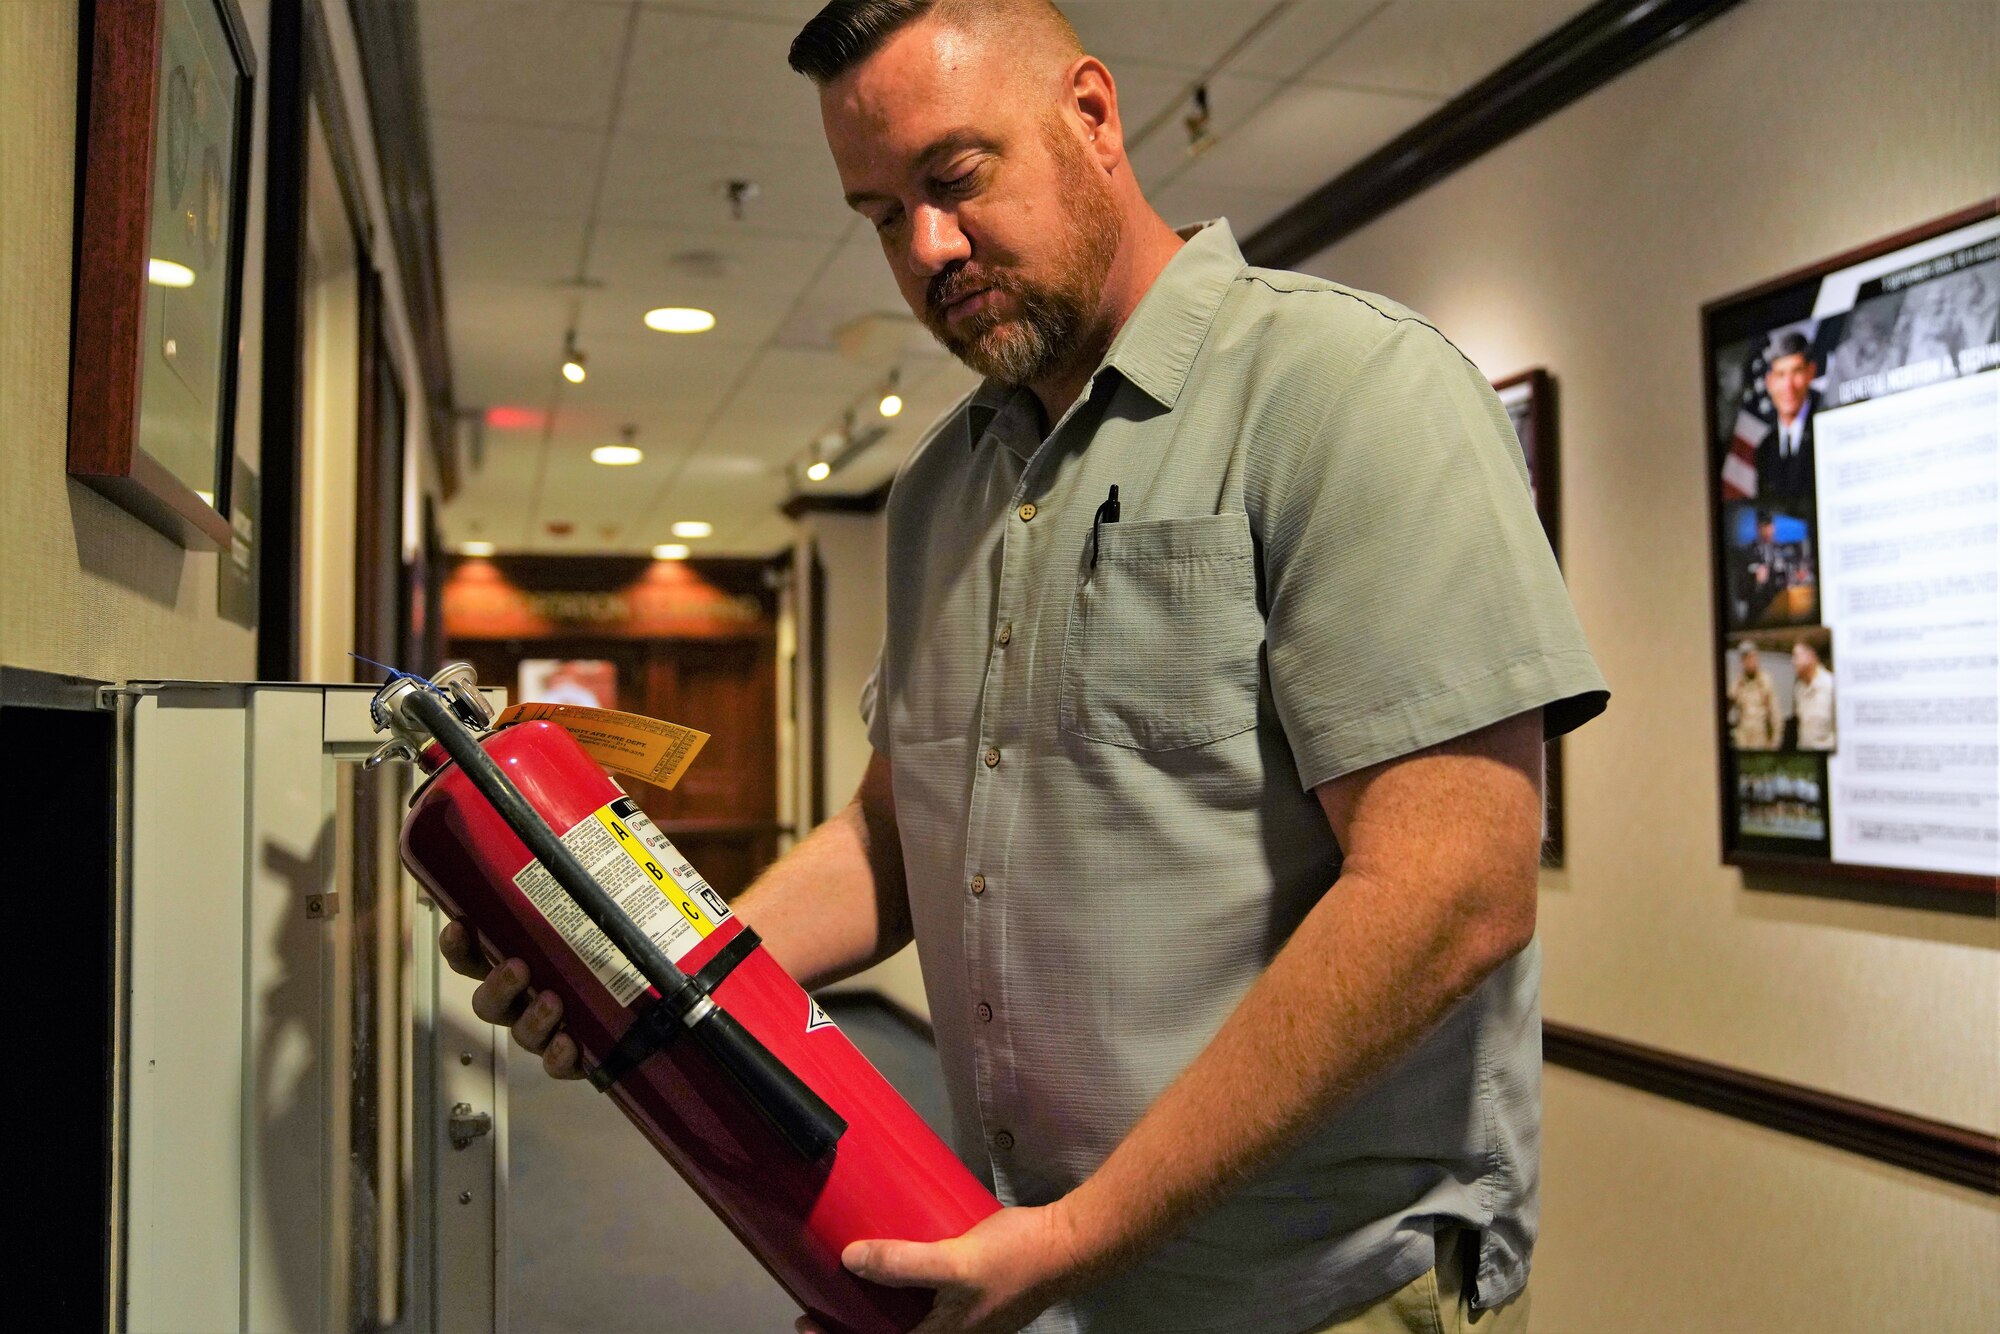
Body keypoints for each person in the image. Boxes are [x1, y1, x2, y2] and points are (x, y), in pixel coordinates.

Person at [442, 3, 1607, 1331]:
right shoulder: (943, 483)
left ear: (1094, 117)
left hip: (1312, 1295)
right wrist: (644, 975)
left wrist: (1070, 1239)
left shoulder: (1347, 388)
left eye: (955, 178)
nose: (928, 246)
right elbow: (894, 832)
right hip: (1040, 1268)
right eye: (882, 214)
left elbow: (1451, 892)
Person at [1755, 331, 1818, 500]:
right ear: (1769, 382)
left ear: (1810, 373)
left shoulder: (1827, 430)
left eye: (1796, 372)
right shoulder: (1765, 448)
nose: (1788, 386)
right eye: (1781, 375)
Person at [1728, 644, 1780, 749]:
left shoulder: (1765, 681)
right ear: (1743, 661)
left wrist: (1775, 742)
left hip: (1761, 740)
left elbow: (1775, 713)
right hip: (1743, 740)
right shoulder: (1738, 683)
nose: (1753, 662)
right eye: (1748, 658)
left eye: (1754, 657)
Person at [1792, 642, 1836, 751]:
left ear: (1810, 657)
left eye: (1796, 656)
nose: (1793, 662)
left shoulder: (1831, 685)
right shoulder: (1798, 689)